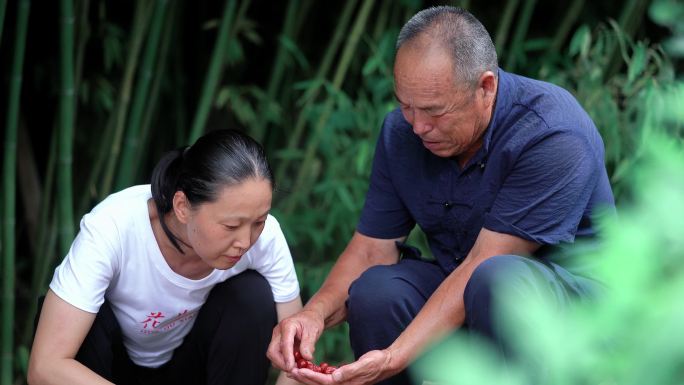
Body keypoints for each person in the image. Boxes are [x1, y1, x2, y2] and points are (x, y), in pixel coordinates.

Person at [267, 6, 615, 385]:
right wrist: (312, 315)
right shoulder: (402, 132)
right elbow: (371, 250)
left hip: (569, 313)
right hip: (466, 289)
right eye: (405, 105)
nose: (418, 126)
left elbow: (487, 264)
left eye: (434, 111)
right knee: (375, 292)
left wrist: (391, 357)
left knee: (496, 279)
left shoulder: (552, 134)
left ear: (486, 87)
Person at [28, 129, 303, 385]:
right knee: (85, 315)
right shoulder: (114, 227)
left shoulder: (265, 239)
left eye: (259, 221)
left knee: (251, 296)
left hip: (190, 367)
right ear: (182, 206)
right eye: (231, 226)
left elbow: (295, 359)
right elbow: (45, 366)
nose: (245, 242)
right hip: (106, 369)